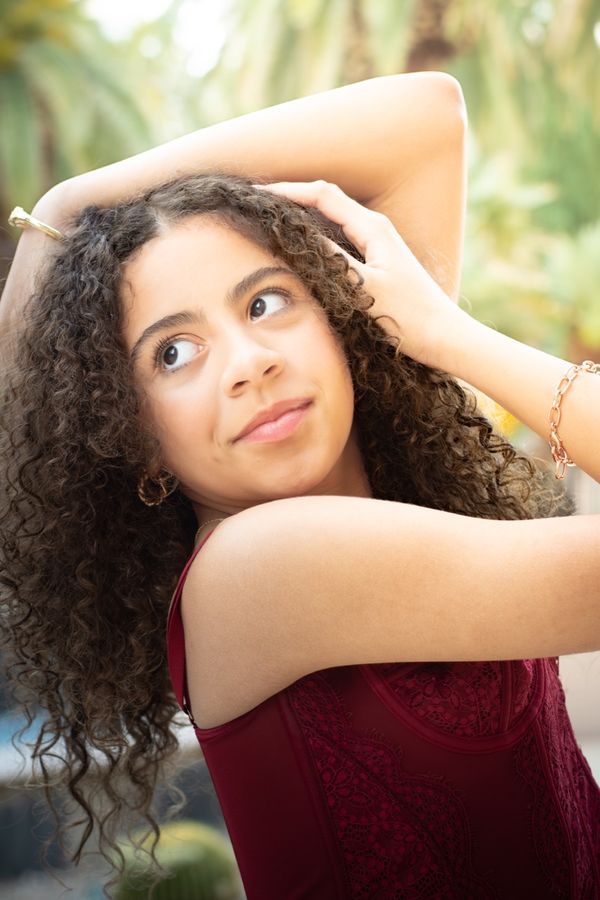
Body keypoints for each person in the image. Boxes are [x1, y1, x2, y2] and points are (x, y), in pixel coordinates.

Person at [1, 73, 599, 899]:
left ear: (346, 315)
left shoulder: (387, 491)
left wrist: (78, 199)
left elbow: (426, 118)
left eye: (268, 300)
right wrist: (450, 337)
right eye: (173, 352)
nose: (250, 365)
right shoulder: (261, 566)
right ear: (133, 438)